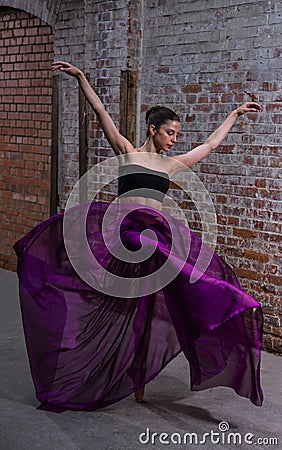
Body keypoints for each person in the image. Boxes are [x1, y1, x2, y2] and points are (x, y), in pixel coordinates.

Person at [13, 61, 263, 413]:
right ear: (153, 129)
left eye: (176, 134)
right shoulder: (128, 152)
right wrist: (81, 78)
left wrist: (234, 114)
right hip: (126, 235)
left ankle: (222, 300)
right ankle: (90, 362)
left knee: (159, 292)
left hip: (155, 237)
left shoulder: (171, 165)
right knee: (119, 295)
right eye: (170, 133)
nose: (175, 139)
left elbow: (208, 145)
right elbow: (101, 112)